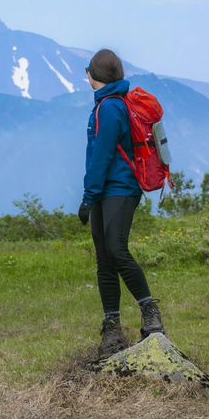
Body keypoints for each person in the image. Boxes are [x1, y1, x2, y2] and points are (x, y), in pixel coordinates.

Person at [78, 49, 165, 360]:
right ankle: (112, 324)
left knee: (115, 249)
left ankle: (150, 311)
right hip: (107, 189)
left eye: (87, 71)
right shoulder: (109, 103)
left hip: (119, 188)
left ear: (93, 76)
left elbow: (101, 156)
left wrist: (88, 197)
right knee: (104, 257)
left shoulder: (110, 107)